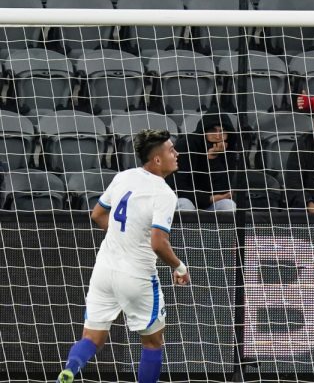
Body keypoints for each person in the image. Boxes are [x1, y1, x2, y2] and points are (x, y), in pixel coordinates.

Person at [57, 129, 190, 383]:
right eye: (171, 150)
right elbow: (158, 244)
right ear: (157, 160)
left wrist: (124, 233)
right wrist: (179, 266)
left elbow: (97, 215)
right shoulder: (164, 194)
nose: (177, 153)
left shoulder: (123, 176)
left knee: (91, 338)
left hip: (104, 271)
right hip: (137, 276)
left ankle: (70, 369)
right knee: (153, 342)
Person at [166, 107, 242, 211]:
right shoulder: (186, 145)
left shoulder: (229, 149)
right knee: (185, 204)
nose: (218, 136)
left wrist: (213, 159)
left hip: (212, 202)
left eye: (222, 131)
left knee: (228, 205)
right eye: (213, 130)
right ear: (204, 131)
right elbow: (176, 186)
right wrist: (207, 199)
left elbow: (224, 190)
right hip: (186, 199)